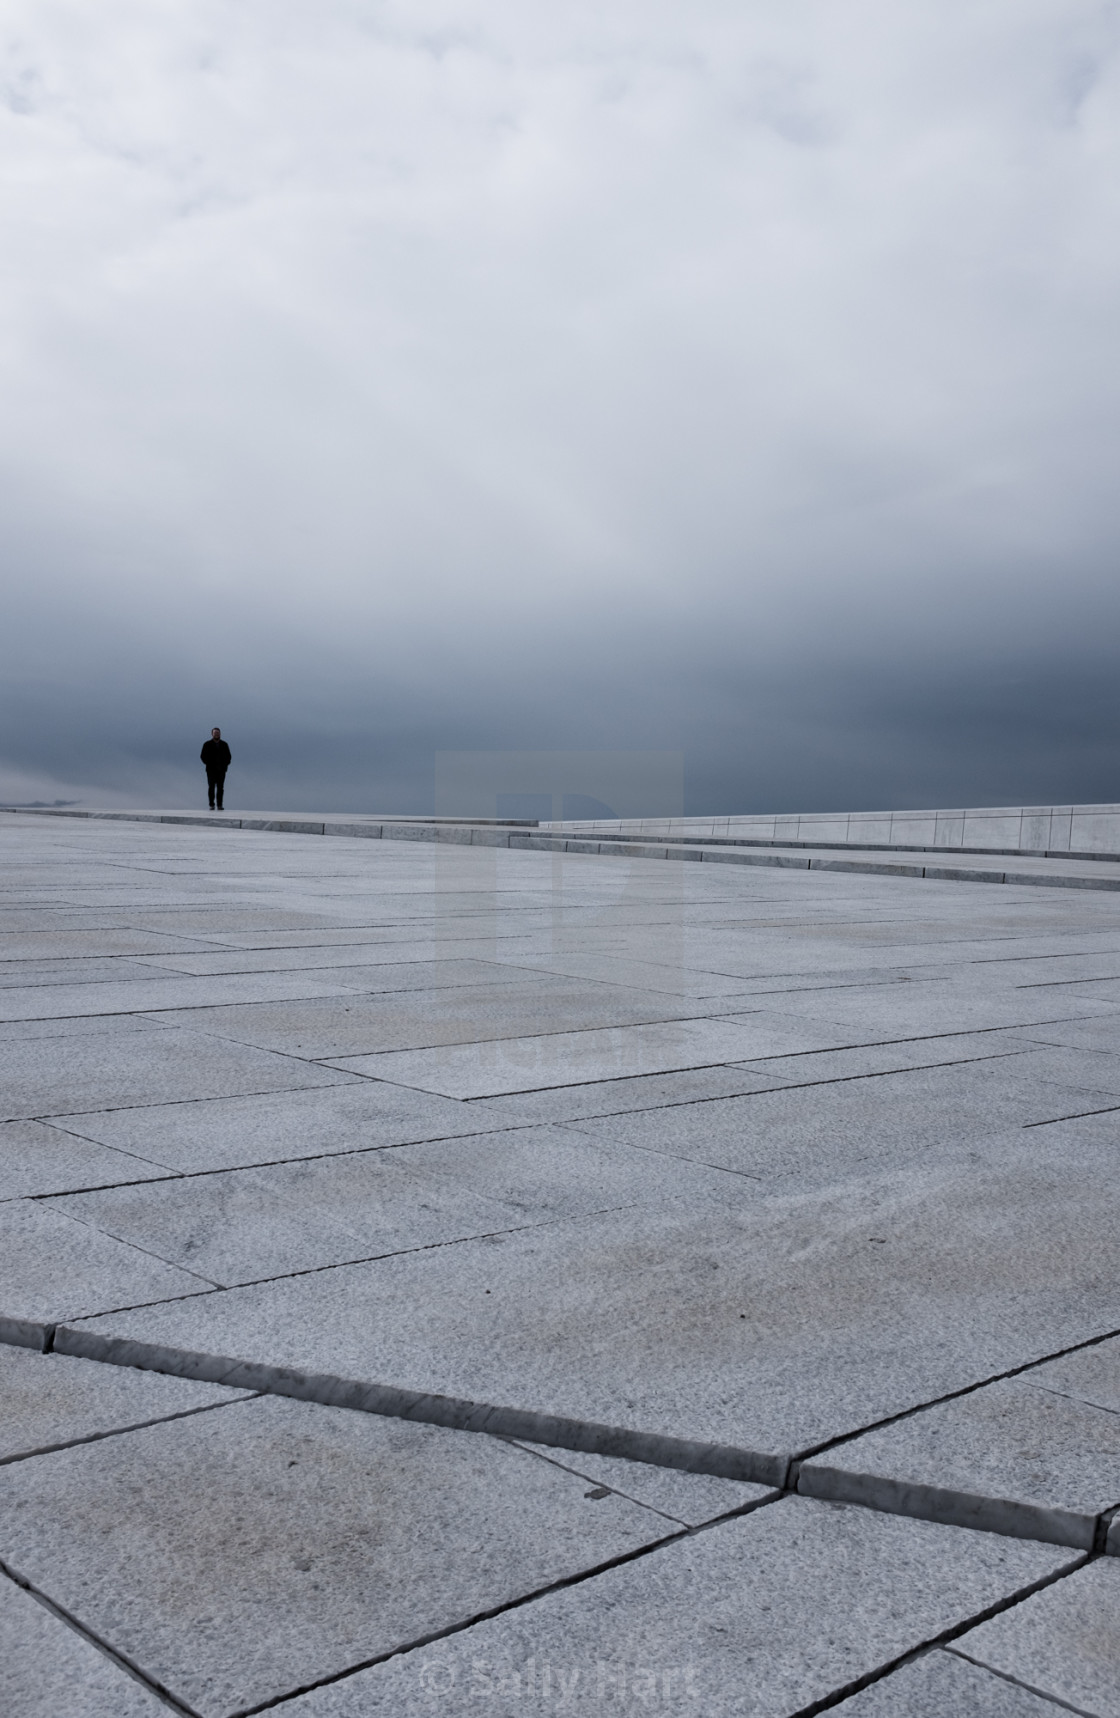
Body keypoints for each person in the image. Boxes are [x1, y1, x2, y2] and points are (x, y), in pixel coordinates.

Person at [200, 728, 232, 810]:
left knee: (220, 788)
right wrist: (209, 764)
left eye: (218, 733)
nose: (217, 734)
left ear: (220, 734)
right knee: (211, 787)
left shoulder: (224, 744)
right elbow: (202, 756)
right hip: (211, 771)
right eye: (215, 733)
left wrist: (225, 766)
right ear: (212, 734)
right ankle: (211, 804)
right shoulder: (207, 744)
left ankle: (220, 805)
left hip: (221, 770)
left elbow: (229, 757)